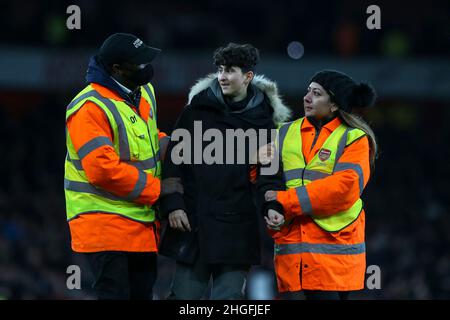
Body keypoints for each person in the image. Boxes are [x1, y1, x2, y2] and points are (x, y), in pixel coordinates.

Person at [158, 43, 291, 299]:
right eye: (220, 70)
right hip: (194, 224)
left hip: (236, 228)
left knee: (229, 301)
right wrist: (173, 204)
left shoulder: (264, 121)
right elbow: (174, 162)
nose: (222, 76)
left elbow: (269, 175)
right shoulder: (196, 111)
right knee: (184, 299)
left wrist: (272, 207)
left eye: (230, 70)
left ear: (248, 76)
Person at [64, 33, 181, 299]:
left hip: (140, 224)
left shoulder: (143, 92)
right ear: (116, 69)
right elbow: (101, 170)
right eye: (138, 63)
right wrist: (159, 188)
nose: (146, 67)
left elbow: (149, 140)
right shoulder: (89, 106)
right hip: (104, 224)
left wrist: (176, 149)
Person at [264, 70, 378, 300]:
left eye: (316, 93)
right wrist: (267, 207)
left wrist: (284, 201)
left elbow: (344, 189)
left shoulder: (354, 138)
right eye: (308, 91)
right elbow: (262, 178)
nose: (307, 97)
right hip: (292, 257)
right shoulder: (283, 133)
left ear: (334, 105)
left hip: (335, 260)